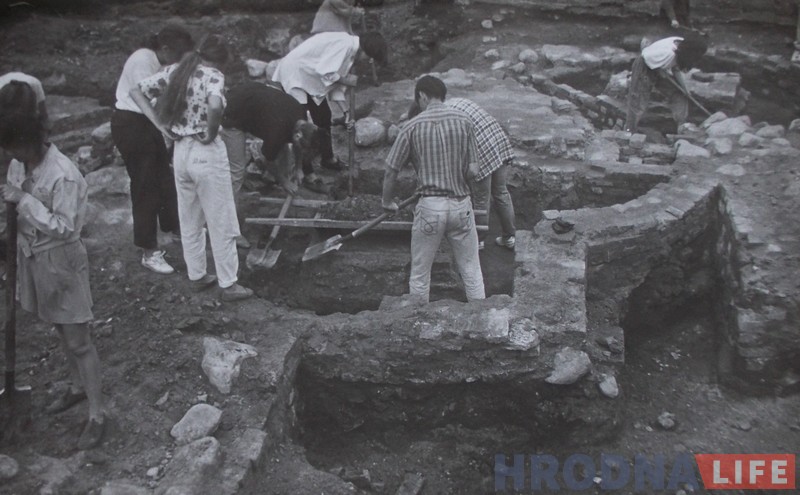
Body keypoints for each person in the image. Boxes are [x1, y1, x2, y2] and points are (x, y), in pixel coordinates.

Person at [0, 81, 105, 450]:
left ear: (34, 138)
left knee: (79, 340)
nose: (11, 153)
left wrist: (24, 200)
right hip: (34, 259)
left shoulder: (64, 174)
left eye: (15, 146)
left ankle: (98, 414)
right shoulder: (18, 163)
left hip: (61, 260)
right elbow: (12, 210)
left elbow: (65, 228)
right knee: (60, 330)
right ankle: (77, 388)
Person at [131, 35, 253, 302]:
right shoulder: (213, 75)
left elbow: (136, 91)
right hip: (205, 151)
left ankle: (197, 275)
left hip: (181, 152)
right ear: (220, 59)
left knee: (189, 218)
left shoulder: (176, 71)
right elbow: (216, 105)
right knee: (221, 218)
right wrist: (210, 132)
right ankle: (228, 283)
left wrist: (160, 124)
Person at [382, 75, 485, 303]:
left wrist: (387, 202)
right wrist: (457, 174)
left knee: (420, 273)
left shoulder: (412, 126)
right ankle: (482, 319)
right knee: (471, 270)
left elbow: (390, 171)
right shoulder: (464, 121)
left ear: (422, 96)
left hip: (430, 207)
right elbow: (474, 171)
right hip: (461, 207)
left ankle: (419, 326)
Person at [111, 24, 193, 275]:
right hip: (131, 123)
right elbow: (143, 98)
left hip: (147, 123)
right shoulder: (142, 59)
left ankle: (176, 227)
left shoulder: (162, 62)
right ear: (165, 48)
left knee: (165, 178)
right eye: (177, 55)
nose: (178, 60)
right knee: (145, 185)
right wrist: (165, 126)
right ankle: (149, 250)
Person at [272, 30, 387, 193]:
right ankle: (307, 173)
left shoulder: (350, 52)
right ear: (365, 49)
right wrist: (345, 79)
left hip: (309, 77)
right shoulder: (343, 46)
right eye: (371, 57)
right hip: (296, 75)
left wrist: (346, 112)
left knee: (324, 116)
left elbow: (334, 88)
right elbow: (325, 72)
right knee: (303, 127)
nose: (369, 61)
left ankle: (328, 159)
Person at [408, 97, 517, 250]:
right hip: (497, 138)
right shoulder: (454, 102)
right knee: (500, 191)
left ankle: (478, 241)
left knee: (480, 199)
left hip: (481, 147)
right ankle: (510, 237)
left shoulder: (438, 121)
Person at [220, 82, 323, 240]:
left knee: (281, 149)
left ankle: (270, 179)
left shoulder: (301, 117)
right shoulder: (277, 131)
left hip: (252, 97)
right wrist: (284, 181)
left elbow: (297, 145)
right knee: (237, 171)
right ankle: (229, 230)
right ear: (297, 136)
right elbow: (268, 158)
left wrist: (298, 169)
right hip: (233, 112)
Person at [624, 34, 707, 134]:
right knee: (638, 101)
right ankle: (629, 132)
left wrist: (685, 89)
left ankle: (682, 126)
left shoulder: (681, 47)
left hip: (659, 66)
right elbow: (645, 56)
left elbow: (675, 68)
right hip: (644, 67)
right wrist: (658, 71)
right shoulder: (668, 53)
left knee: (679, 94)